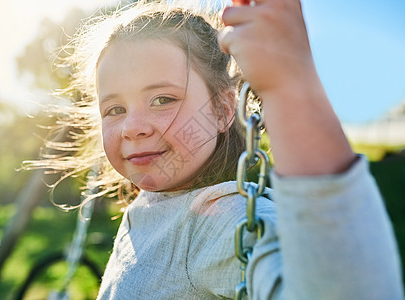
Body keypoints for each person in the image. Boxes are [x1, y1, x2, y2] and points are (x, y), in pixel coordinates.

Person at [35, 0, 403, 298]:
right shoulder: (148, 208)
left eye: (163, 99)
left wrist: (290, 87)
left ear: (224, 110)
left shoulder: (223, 220)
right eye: (115, 109)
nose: (133, 127)